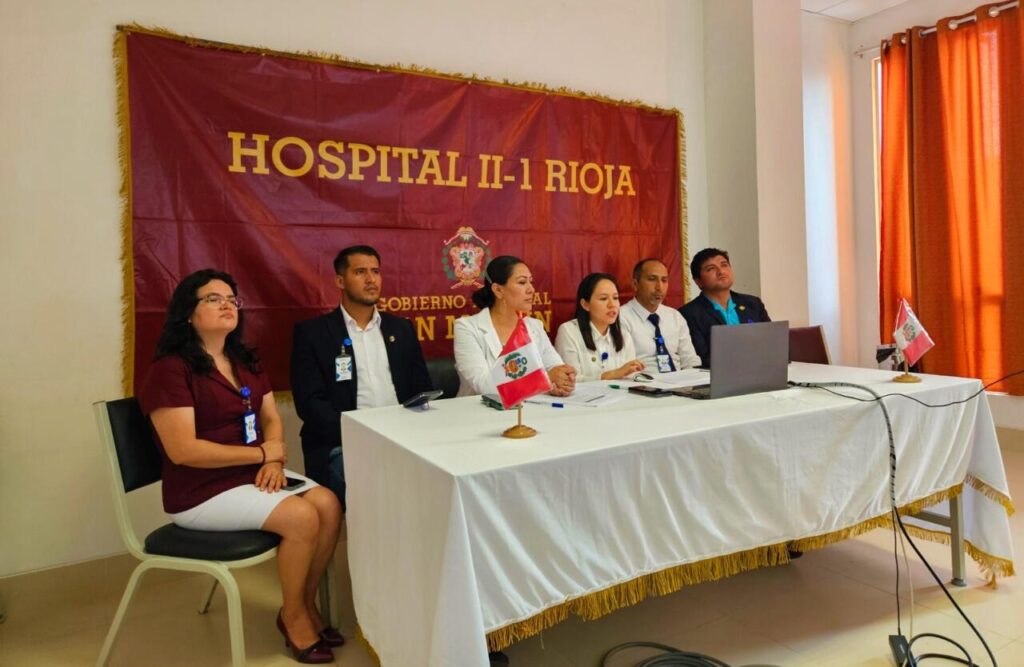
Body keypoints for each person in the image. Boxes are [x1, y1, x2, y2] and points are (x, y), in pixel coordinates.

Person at [139, 269, 342, 664]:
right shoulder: (171, 369)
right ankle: (295, 616)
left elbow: (270, 418)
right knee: (301, 517)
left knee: (328, 504)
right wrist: (262, 456)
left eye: (232, 298)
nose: (227, 304)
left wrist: (275, 457)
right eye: (213, 299)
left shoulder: (244, 360)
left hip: (252, 474)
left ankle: (302, 602)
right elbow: (183, 451)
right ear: (187, 313)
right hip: (200, 491)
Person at [290, 245, 433, 509]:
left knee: (440, 480)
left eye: (375, 272)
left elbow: (421, 387)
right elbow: (310, 405)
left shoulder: (401, 329)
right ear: (340, 281)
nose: (371, 279)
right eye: (360, 272)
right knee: (386, 490)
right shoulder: (314, 334)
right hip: (343, 443)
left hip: (404, 438)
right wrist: (361, 434)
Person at [454, 255, 576, 397]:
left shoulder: (534, 326)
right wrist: (546, 379)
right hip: (479, 409)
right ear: (498, 290)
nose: (531, 289)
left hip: (532, 406)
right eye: (522, 282)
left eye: (531, 282)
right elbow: (483, 385)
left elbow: (554, 366)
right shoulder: (467, 328)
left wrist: (562, 378)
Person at [680, 248, 771, 368]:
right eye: (711, 268)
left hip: (761, 369)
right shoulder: (689, 314)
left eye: (724, 265)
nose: (721, 271)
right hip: (718, 374)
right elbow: (702, 357)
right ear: (698, 281)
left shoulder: (753, 304)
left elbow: (771, 342)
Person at [554, 273, 644, 381]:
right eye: (603, 298)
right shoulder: (568, 332)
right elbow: (570, 380)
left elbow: (630, 377)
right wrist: (611, 375)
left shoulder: (624, 335)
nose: (612, 304)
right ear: (585, 304)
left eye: (615, 298)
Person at [619, 258, 701, 372]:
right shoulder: (621, 317)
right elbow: (624, 367)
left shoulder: (675, 316)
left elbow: (689, 360)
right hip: (643, 380)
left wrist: (696, 379)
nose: (659, 287)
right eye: (652, 279)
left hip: (679, 380)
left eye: (664, 280)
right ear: (635, 284)